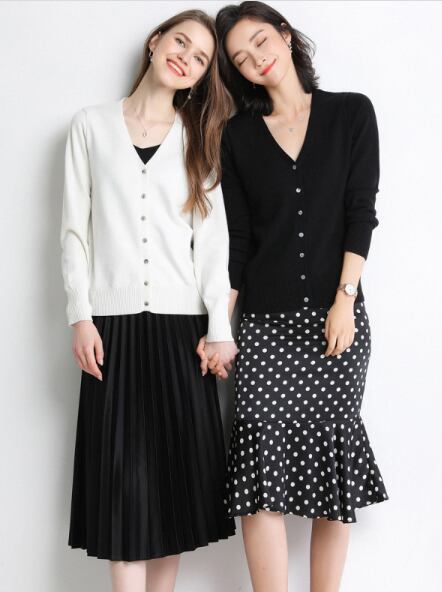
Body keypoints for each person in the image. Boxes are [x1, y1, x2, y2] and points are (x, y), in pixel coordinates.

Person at [198, 2, 389, 591]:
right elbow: (238, 240)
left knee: (334, 460)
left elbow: (360, 212)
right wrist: (219, 327)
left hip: (336, 320)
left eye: (260, 41)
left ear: (284, 34)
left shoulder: (352, 112)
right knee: (259, 467)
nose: (255, 58)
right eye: (240, 58)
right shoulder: (237, 136)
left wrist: (344, 299)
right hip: (264, 324)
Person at [60, 9, 238, 592]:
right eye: (180, 42)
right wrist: (80, 316)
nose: (186, 57)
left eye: (201, 58)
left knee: (173, 488)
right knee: (121, 489)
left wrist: (219, 328)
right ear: (156, 41)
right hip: (109, 327)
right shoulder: (89, 126)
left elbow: (212, 243)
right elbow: (74, 232)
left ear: (201, 76)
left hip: (181, 329)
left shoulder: (199, 138)